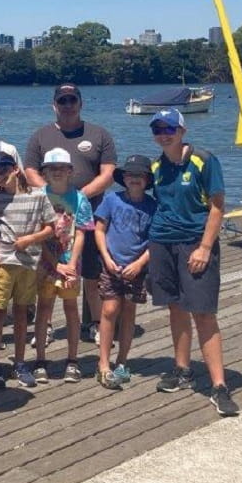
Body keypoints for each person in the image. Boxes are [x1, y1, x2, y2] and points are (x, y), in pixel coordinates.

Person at [146, 109, 239, 416]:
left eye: (169, 128)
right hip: (162, 242)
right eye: (158, 128)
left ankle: (219, 385)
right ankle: (182, 368)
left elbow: (217, 207)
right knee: (175, 306)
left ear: (182, 130)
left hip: (195, 243)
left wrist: (204, 248)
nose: (163, 133)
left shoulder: (203, 160)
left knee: (203, 313)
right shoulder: (157, 166)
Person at [24, 83, 117, 343]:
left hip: (90, 214)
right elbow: (30, 171)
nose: (67, 105)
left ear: (80, 103)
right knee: (48, 267)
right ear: (54, 105)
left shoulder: (99, 134)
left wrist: (77, 198)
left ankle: (95, 323)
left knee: (90, 270)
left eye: (72, 100)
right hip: (49, 217)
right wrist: (53, 196)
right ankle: (48, 325)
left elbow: (108, 173)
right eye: (62, 101)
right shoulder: (40, 136)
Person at [0, 152, 55, 390]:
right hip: (1, 263)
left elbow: (51, 227)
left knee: (22, 314)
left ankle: (20, 362)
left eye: (2, 171)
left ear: (14, 168)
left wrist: (31, 238)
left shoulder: (38, 197)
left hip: (28, 264)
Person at [94, 154, 157, 389]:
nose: (134, 179)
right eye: (130, 175)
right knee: (110, 309)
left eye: (139, 175)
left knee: (129, 311)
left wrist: (140, 264)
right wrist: (106, 258)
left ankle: (122, 360)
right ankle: (103, 363)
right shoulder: (112, 200)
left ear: (147, 179)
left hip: (137, 267)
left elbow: (154, 240)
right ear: (123, 178)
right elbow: (99, 230)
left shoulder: (153, 206)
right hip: (111, 265)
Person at [34, 148, 93, 385]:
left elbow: (80, 234)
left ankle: (72, 359)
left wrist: (70, 264)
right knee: (43, 308)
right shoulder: (38, 196)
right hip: (45, 263)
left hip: (70, 263)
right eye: (52, 169)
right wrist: (55, 263)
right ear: (45, 173)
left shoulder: (80, 198)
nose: (57, 172)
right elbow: (37, 234)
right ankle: (40, 360)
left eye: (62, 168)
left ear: (70, 171)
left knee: (71, 308)